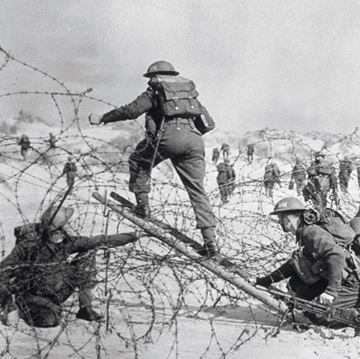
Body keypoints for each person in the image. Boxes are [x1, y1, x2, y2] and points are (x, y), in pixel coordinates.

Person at [88, 60, 218, 256]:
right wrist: (189, 135)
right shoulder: (189, 92)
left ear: (154, 77)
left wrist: (104, 117)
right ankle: (210, 242)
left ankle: (143, 206)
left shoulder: (156, 90)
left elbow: (131, 111)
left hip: (168, 138)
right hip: (194, 140)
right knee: (197, 190)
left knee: (138, 161)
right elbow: (209, 124)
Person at [0, 201, 139, 327]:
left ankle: (85, 308)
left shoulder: (66, 243)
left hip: (58, 290)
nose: (70, 225)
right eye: (67, 223)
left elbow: (99, 241)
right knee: (49, 321)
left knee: (88, 253)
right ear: (58, 228)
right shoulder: (29, 247)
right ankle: (22, 309)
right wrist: (9, 305)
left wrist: (133, 236)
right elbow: (2, 273)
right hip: (34, 296)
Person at [254, 197, 347, 305]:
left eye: (280, 218)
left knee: (317, 314)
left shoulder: (311, 232)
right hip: (338, 280)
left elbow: (336, 255)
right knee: (297, 289)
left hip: (347, 284)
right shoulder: (303, 234)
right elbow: (292, 266)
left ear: (288, 219)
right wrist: (265, 281)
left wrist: (331, 291)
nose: (279, 222)